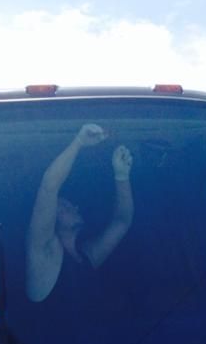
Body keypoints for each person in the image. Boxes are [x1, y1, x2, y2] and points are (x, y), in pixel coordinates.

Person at [25, 123, 133, 302]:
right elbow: (49, 187)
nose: (75, 207)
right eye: (65, 207)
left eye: (72, 206)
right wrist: (79, 142)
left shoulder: (86, 255)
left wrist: (122, 175)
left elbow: (122, 222)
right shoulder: (43, 254)